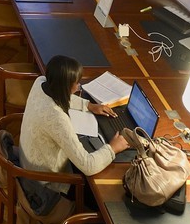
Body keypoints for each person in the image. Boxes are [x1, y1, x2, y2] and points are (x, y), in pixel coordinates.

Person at [18, 54, 127, 213]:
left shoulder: (40, 82)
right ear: (66, 87)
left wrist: (88, 105)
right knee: (107, 202)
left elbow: (61, 96)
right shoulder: (56, 118)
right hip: (45, 182)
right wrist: (113, 148)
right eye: (76, 84)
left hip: (27, 161)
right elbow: (88, 166)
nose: (78, 87)